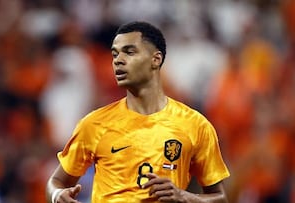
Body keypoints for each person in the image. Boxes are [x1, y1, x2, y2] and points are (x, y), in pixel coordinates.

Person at [46, 21, 230, 203]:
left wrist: (183, 196)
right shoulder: (94, 124)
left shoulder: (195, 125)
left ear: (155, 59)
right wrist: (57, 195)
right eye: (115, 54)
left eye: (129, 52)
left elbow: (220, 198)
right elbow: (56, 181)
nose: (118, 60)